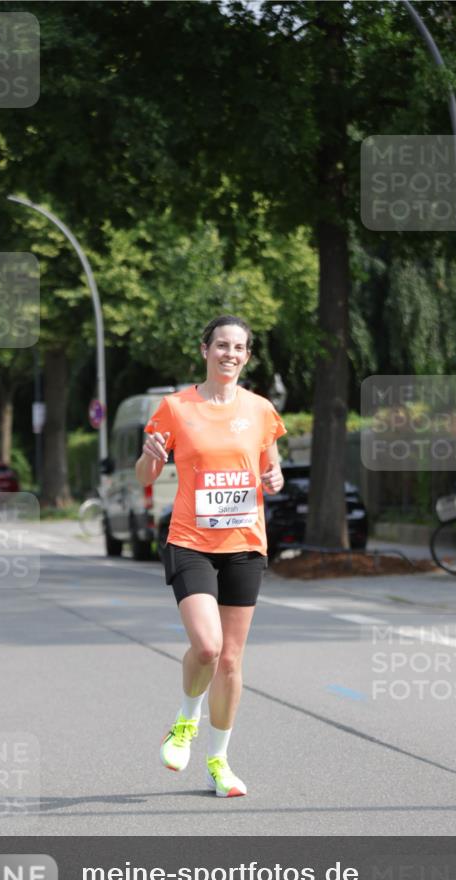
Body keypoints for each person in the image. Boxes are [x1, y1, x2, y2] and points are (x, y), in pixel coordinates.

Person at [135, 316, 286, 797]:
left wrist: (274, 479)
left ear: (247, 355)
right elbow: (144, 474)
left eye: (239, 347)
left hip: (245, 545)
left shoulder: (261, 409)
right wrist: (152, 455)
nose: (230, 354)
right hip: (191, 541)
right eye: (221, 345)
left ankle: (219, 762)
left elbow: (270, 464)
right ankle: (185, 721)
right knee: (207, 647)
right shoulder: (176, 408)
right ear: (205, 350)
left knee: (231, 662)